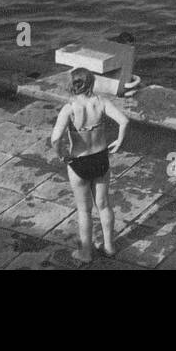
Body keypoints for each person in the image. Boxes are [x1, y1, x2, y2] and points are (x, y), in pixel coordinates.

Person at [49, 67, 129, 264]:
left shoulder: (69, 108)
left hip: (79, 161)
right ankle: (109, 247)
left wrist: (61, 154)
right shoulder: (101, 102)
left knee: (84, 210)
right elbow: (124, 121)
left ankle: (85, 253)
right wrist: (119, 141)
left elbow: (55, 138)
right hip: (101, 159)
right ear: (92, 83)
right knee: (104, 205)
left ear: (72, 85)